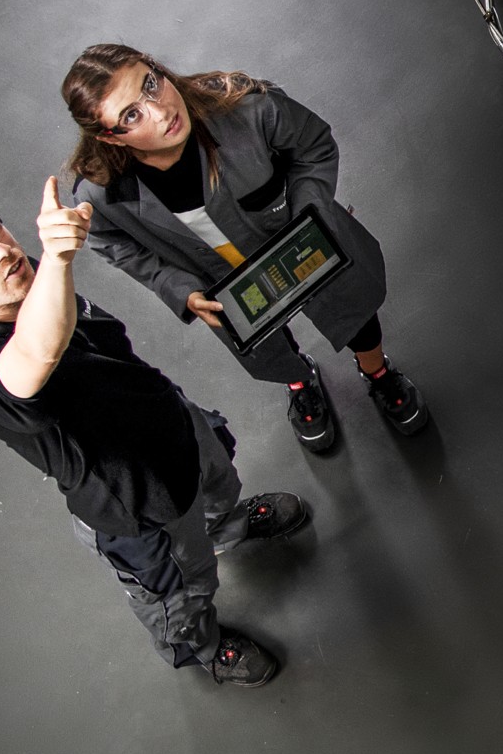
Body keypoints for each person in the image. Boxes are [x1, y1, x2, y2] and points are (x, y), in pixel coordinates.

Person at [0, 175, 300, 686]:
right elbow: (38, 351)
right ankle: (205, 649)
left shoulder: (26, 279)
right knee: (181, 594)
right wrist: (60, 259)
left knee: (220, 487)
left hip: (173, 423)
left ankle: (223, 527)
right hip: (142, 507)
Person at [58, 44, 429, 455]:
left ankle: (377, 372)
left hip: (308, 249)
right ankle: (300, 381)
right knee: (269, 351)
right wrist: (180, 290)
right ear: (108, 136)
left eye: (150, 84)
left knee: (354, 312)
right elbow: (113, 243)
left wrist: (311, 221)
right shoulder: (101, 193)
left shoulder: (246, 108)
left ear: (157, 68)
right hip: (224, 283)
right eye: (130, 115)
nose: (160, 111)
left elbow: (313, 147)